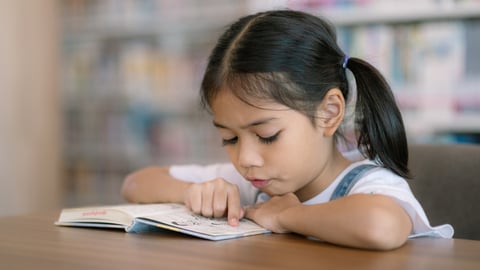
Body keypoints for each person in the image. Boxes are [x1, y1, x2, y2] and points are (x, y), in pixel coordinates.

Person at [121, 9, 453, 250]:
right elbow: (137, 183)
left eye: (267, 135)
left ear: (329, 113)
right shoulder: (255, 182)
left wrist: (285, 217)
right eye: (230, 138)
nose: (246, 159)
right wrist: (195, 193)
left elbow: (381, 226)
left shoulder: (369, 184)